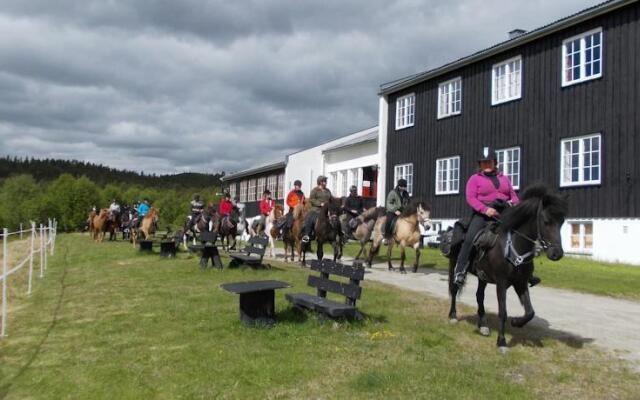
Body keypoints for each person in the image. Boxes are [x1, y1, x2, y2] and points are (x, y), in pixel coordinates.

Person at [453, 147, 539, 287]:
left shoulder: (504, 178)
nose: (486, 164)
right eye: (483, 162)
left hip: (505, 213)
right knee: (470, 238)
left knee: (522, 235)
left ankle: (528, 272)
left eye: (489, 162)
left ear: (495, 162)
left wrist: (516, 206)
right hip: (483, 215)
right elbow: (471, 198)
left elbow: (513, 196)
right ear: (480, 164)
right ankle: (460, 271)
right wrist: (485, 209)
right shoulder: (474, 179)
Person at [301, 176, 332, 243]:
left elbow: (331, 199)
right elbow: (311, 199)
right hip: (316, 210)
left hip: (327, 210)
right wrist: (320, 204)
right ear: (320, 182)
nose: (326, 182)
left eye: (326, 181)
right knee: (310, 219)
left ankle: (338, 234)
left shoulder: (328, 191)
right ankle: (306, 236)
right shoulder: (315, 190)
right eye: (324, 181)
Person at [383, 179, 410, 243]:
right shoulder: (393, 193)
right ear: (399, 186)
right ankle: (387, 237)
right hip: (392, 211)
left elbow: (408, 202)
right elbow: (389, 203)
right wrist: (395, 210)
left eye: (404, 187)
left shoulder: (406, 194)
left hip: (403, 211)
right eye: (402, 186)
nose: (403, 188)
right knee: (389, 220)